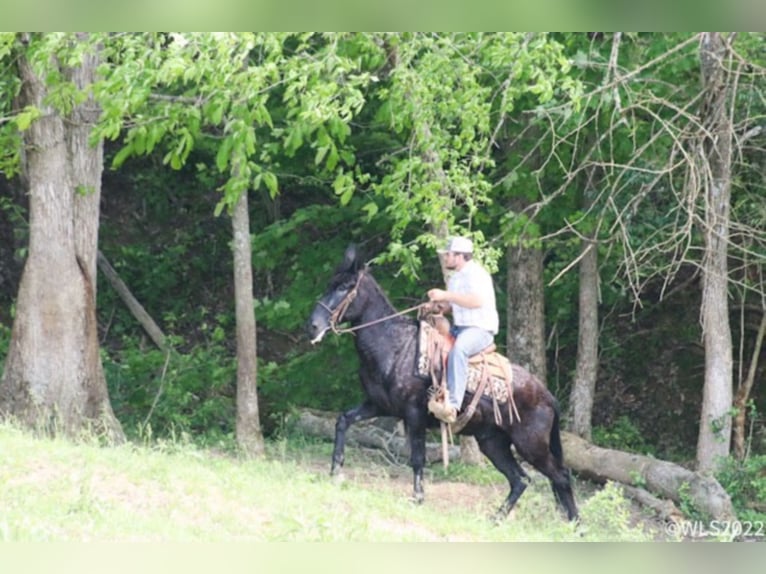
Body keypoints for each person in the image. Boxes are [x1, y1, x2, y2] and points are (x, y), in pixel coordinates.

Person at [427, 236, 499, 424]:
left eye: (448, 255)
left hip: (480, 329)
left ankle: (453, 404)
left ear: (459, 256)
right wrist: (440, 307)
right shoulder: (456, 278)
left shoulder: (477, 274)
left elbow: (475, 301)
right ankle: (436, 393)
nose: (446, 258)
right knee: (434, 348)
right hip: (460, 328)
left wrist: (446, 294)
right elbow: (456, 304)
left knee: (459, 350)